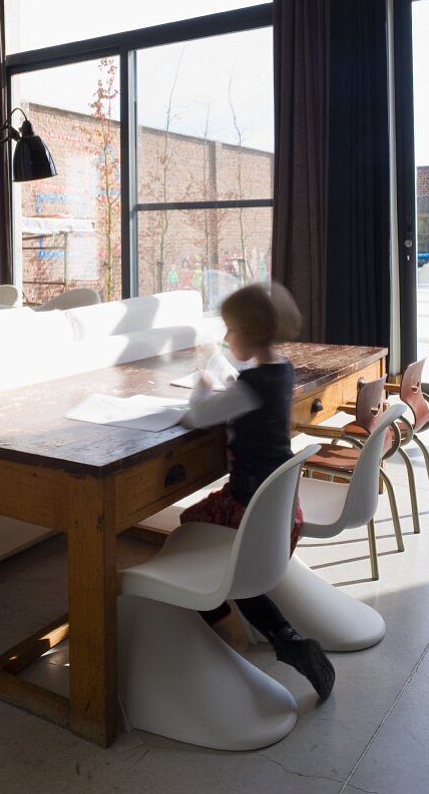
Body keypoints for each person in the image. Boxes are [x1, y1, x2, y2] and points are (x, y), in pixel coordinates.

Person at [180, 282, 335, 702]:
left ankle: (217, 615)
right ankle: (288, 639)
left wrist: (203, 381)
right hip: (282, 511)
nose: (227, 339)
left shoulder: (247, 388)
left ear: (248, 334)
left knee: (189, 527)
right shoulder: (281, 371)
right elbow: (246, 393)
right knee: (243, 567)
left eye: (231, 330)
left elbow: (197, 416)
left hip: (246, 508)